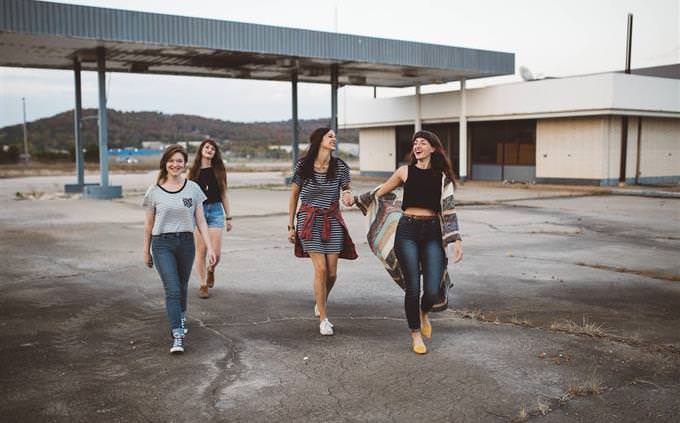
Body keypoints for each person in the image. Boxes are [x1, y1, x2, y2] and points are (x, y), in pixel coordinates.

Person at [349, 130, 463, 354]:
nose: (417, 146)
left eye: (423, 142)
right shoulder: (404, 172)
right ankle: (415, 335)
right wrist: (355, 200)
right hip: (407, 231)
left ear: (433, 148)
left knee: (431, 291)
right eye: (415, 143)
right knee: (413, 287)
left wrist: (456, 240)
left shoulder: (442, 178)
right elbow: (379, 192)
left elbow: (449, 210)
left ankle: (423, 312)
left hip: (432, 233)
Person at [143, 144, 216, 354]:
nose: (175, 164)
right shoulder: (154, 191)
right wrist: (146, 250)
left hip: (185, 242)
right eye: (171, 161)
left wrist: (210, 248)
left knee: (182, 286)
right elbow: (149, 224)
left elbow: (201, 221)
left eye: (179, 161)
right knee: (173, 289)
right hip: (161, 243)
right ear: (165, 163)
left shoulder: (193, 188)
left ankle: (180, 315)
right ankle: (177, 334)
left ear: (185, 164)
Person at [287, 127, 357, 336]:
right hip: (308, 220)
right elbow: (293, 197)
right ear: (319, 140)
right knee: (321, 269)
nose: (334, 139)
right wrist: (291, 225)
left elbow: (347, 189)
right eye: (330, 136)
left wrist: (347, 195)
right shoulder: (303, 165)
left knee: (332, 272)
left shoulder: (340, 166)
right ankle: (324, 319)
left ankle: (321, 300)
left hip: (332, 220)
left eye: (334, 136)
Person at [187, 138, 232, 299]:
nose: (209, 150)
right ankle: (203, 283)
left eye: (213, 148)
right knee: (201, 251)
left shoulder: (219, 170)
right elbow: (188, 195)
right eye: (207, 147)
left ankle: (211, 270)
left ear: (215, 153)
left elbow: (224, 195)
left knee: (216, 253)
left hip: (216, 212)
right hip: (198, 213)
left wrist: (229, 217)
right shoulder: (193, 171)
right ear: (201, 150)